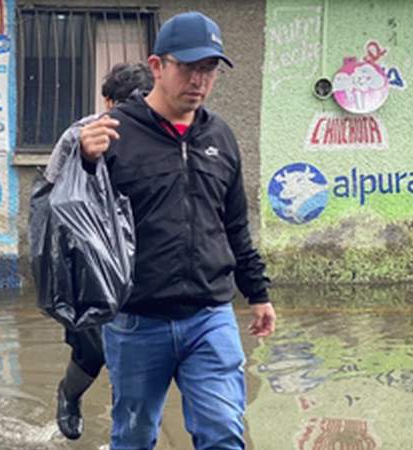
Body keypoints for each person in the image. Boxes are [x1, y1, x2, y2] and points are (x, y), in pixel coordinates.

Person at [78, 12, 277, 449]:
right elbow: (72, 220)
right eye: (187, 67)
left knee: (223, 431)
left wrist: (258, 292)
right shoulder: (113, 134)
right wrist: (84, 162)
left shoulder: (220, 136)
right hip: (136, 320)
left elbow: (235, 224)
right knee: (132, 437)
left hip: (209, 314)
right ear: (156, 66)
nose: (199, 80)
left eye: (208, 69)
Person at [42, 62, 154, 440]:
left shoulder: (158, 136)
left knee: (134, 354)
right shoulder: (78, 136)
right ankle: (69, 395)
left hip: (142, 261)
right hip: (89, 262)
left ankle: (124, 436)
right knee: (92, 349)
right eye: (121, 105)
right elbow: (50, 200)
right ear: (106, 102)